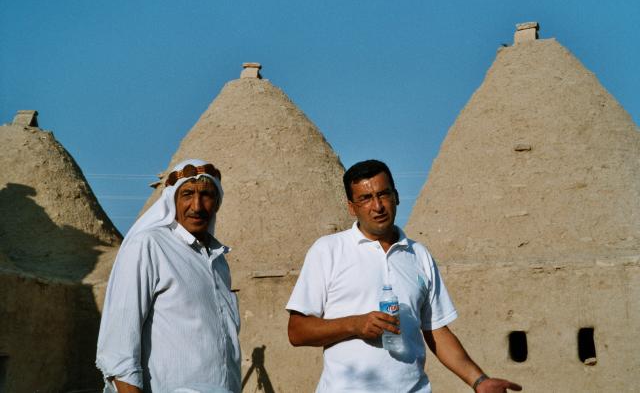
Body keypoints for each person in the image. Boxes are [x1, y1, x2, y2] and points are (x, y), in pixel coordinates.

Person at [286, 160, 521, 393]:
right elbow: (297, 331)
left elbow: (436, 331)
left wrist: (479, 381)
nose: (377, 206)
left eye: (383, 194)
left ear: (396, 196)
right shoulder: (328, 250)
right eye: (365, 198)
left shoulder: (418, 255)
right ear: (351, 207)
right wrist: (355, 325)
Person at [96, 159, 240, 393]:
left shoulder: (218, 261)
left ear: (217, 202)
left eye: (206, 195)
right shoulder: (149, 246)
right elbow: (118, 350)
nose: (197, 206)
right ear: (172, 200)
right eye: (187, 194)